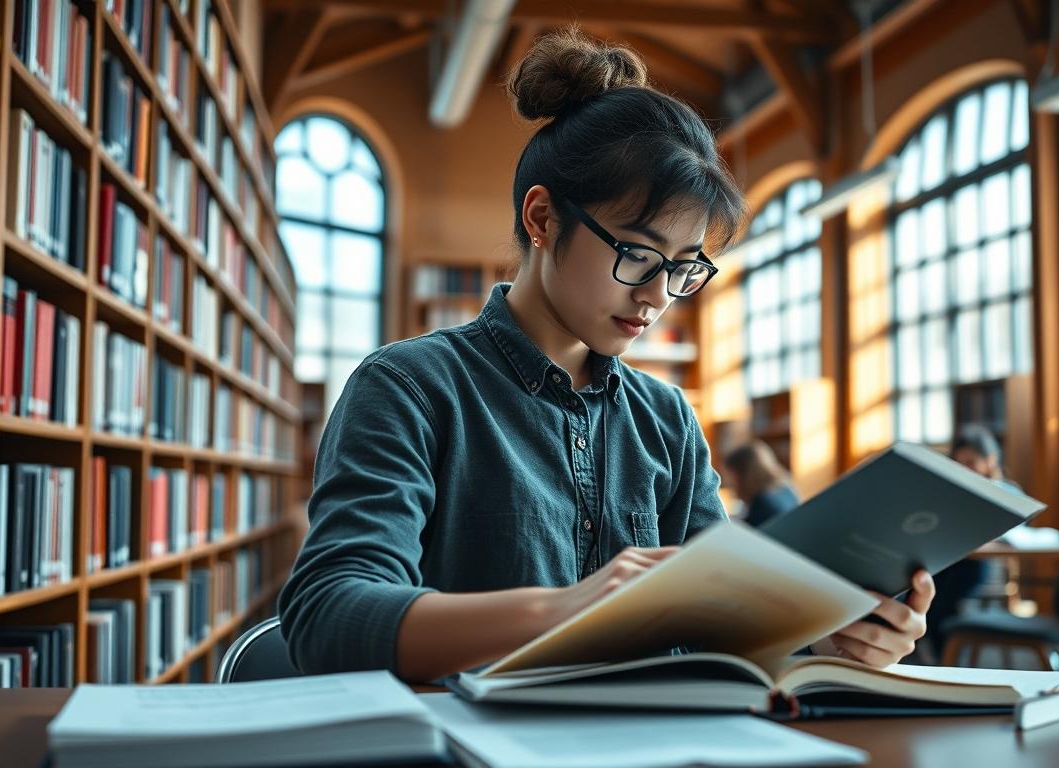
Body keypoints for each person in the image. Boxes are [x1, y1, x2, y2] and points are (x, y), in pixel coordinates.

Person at [277, 28, 935, 683]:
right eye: (636, 255)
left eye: (682, 268)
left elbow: (726, 629)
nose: (656, 296)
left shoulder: (666, 419)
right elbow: (328, 618)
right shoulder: (409, 387)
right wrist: (566, 608)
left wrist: (824, 641)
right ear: (542, 219)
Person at [925, 424, 1015, 659]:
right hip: (946, 561)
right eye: (960, 462)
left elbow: (1018, 530)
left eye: (971, 462)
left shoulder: (1007, 492)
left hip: (978, 567)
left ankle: (944, 659)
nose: (965, 469)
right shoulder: (950, 493)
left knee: (940, 608)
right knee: (923, 593)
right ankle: (936, 656)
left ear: (990, 460)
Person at [722, 441, 800, 528]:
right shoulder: (786, 489)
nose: (729, 482)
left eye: (731, 476)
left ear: (743, 475)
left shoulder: (763, 503)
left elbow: (751, 531)